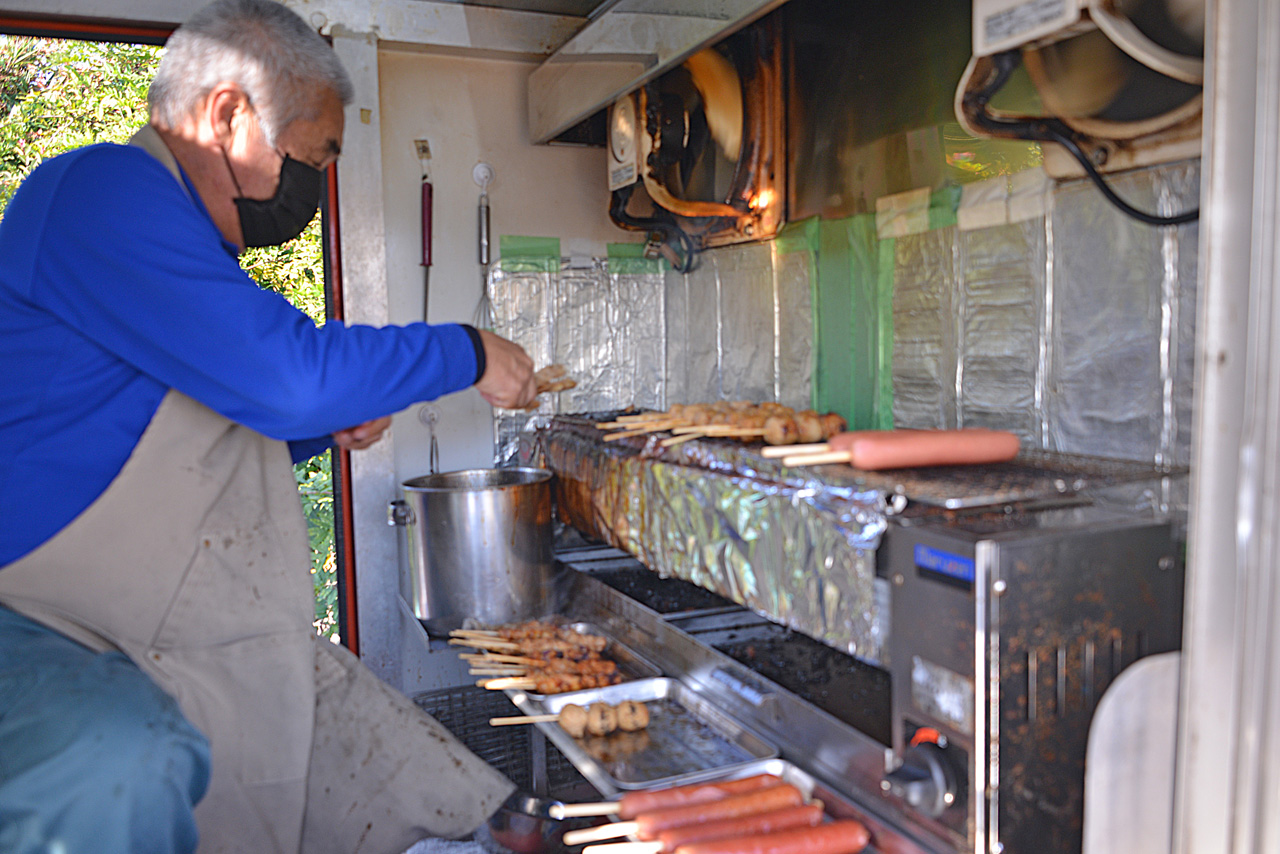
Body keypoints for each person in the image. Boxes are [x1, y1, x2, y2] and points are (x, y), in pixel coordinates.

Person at [0, 1, 538, 852]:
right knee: (121, 760)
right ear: (226, 117)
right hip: (38, 617)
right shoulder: (99, 193)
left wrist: (318, 431)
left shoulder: (185, 260)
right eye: (315, 155)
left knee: (407, 775)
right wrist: (468, 352)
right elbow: (289, 378)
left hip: (157, 622)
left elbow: (181, 434)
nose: (315, 185)